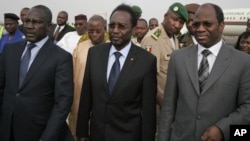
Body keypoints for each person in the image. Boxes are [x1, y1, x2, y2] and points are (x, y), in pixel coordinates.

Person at [158, 3, 250, 141]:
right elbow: (168, 108)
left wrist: (222, 129)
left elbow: (247, 107)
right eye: (196, 24)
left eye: (207, 24)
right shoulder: (178, 58)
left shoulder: (242, 61)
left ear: (221, 25)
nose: (200, 29)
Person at [76, 4, 157, 141]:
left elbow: (148, 111)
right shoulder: (95, 53)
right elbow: (86, 96)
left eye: (121, 26)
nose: (115, 30)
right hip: (97, 135)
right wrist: (82, 132)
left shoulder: (146, 61)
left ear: (133, 29)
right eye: (112, 25)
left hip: (128, 136)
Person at [0, 5, 74, 141]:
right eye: (27, 21)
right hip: (7, 129)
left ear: (49, 27)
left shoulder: (61, 58)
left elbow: (63, 103)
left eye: (36, 22)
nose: (29, 26)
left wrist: (47, 137)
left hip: (38, 132)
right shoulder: (9, 50)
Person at [70, 14, 109, 141]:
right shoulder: (80, 47)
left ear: (105, 29)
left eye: (98, 31)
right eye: (91, 31)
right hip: (80, 100)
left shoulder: (112, 48)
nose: (94, 34)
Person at [141, 2, 188, 107]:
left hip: (171, 100)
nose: (177, 25)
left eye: (181, 22)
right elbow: (148, 77)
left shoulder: (173, 37)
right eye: (175, 19)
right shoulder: (153, 39)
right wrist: (163, 102)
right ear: (165, 16)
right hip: (158, 103)